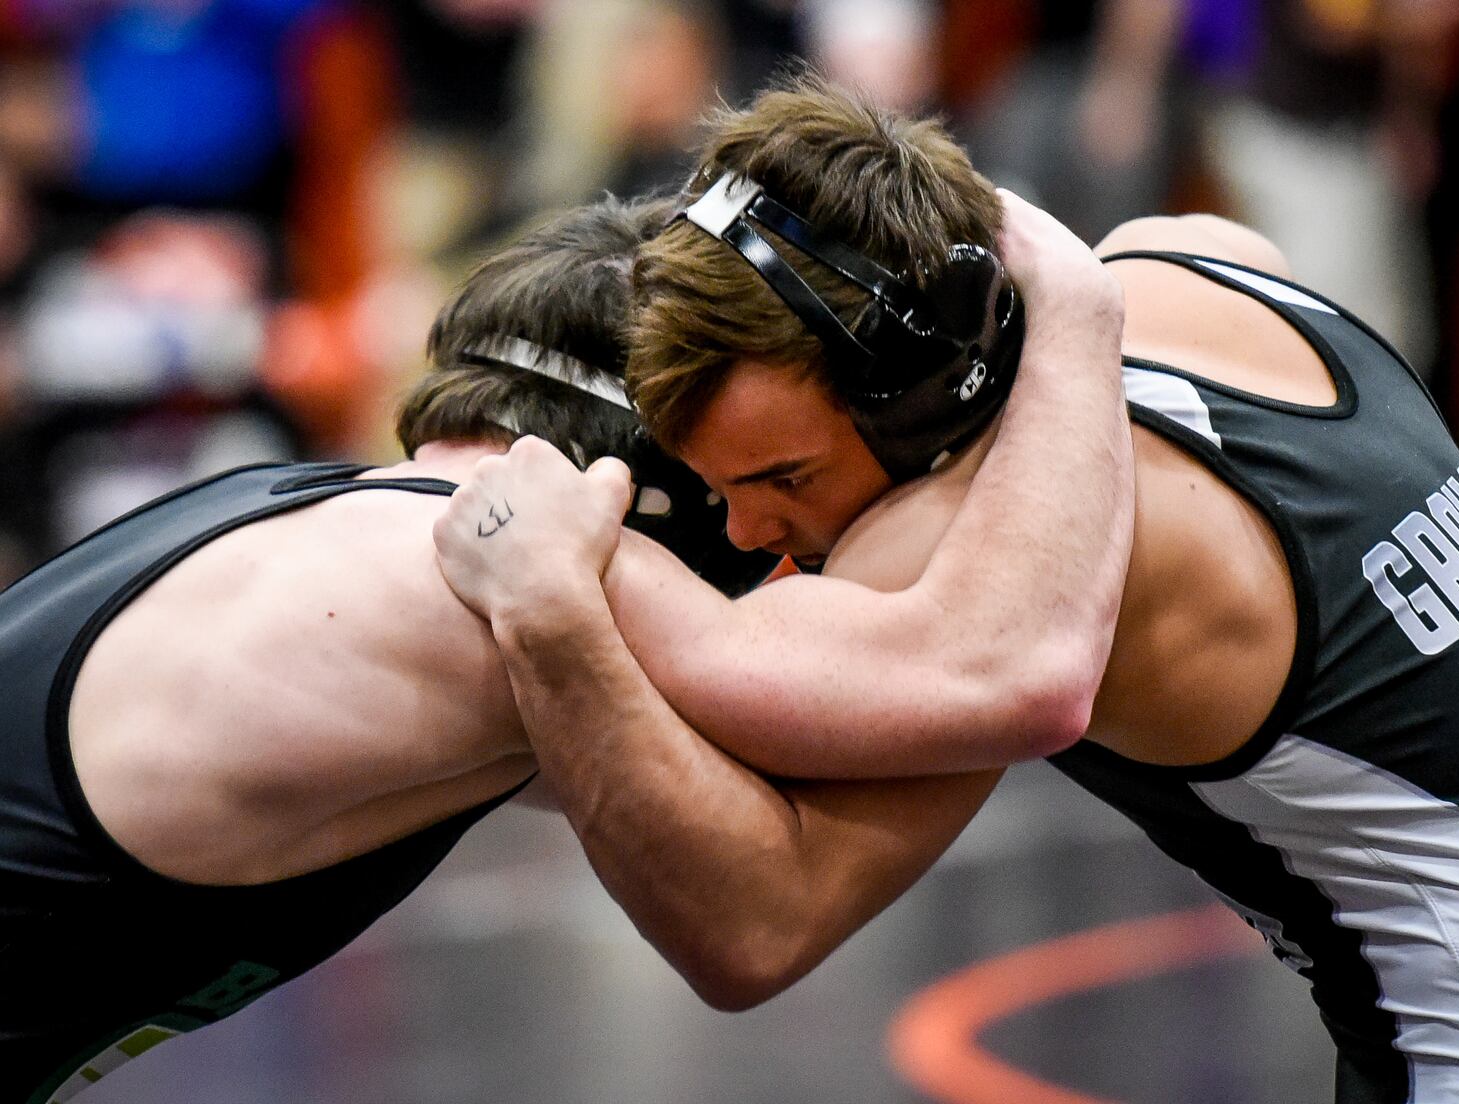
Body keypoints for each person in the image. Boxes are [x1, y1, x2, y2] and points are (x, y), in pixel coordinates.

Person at [433, 76, 1459, 1103]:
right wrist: (1073, 303)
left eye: (782, 476)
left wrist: (559, 574)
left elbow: (750, 926)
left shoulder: (973, 573)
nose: (749, 530)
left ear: (922, 394)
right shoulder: (1196, 262)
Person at [0, 188, 1131, 1103]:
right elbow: (990, 684)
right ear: (644, 477)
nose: (759, 541)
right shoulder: (465, 580)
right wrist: (1078, 321)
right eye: (745, 488)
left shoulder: (338, 529)